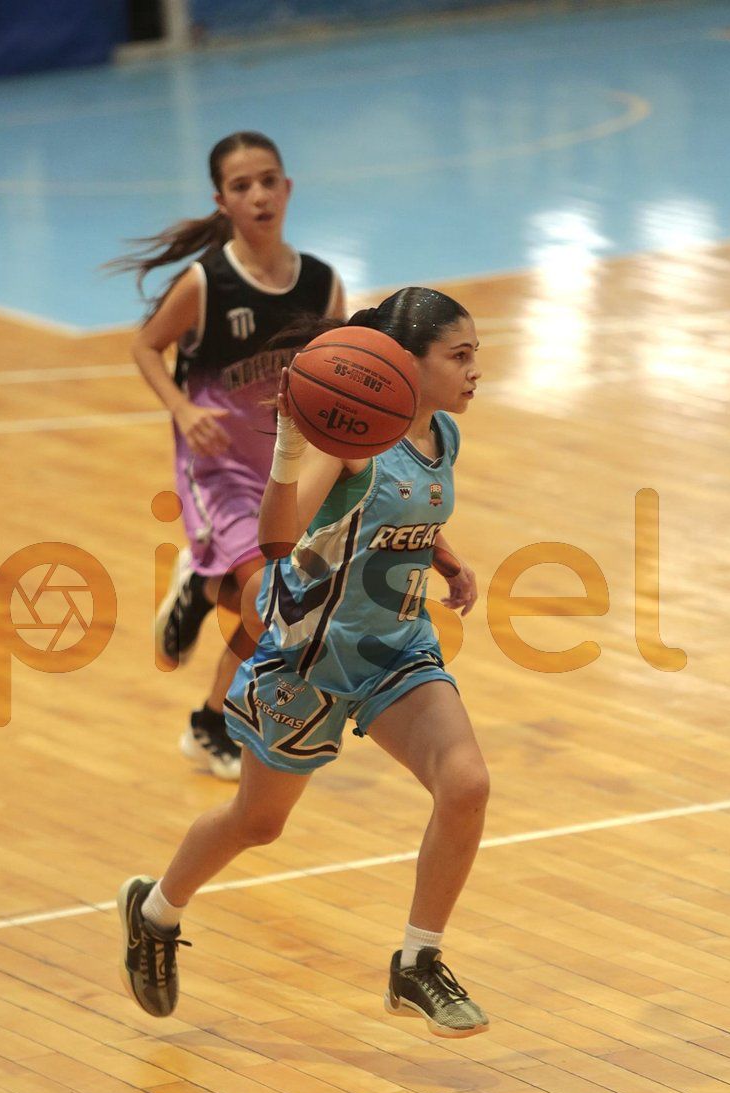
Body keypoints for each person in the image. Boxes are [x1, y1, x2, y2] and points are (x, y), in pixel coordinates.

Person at [118, 288, 491, 1039]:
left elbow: (408, 511)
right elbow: (279, 537)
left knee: (466, 784)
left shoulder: (442, 434)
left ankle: (417, 961)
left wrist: (444, 557)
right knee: (257, 823)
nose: (475, 369)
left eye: (475, 353)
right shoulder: (350, 443)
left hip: (395, 651)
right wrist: (291, 447)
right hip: (306, 660)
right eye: (459, 355)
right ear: (405, 365)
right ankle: (155, 910)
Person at [109, 130, 345, 779]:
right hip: (218, 469)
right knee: (270, 594)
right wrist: (183, 410)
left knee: (275, 599)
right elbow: (144, 346)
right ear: (222, 201)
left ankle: (204, 584)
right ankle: (210, 724)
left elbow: (334, 371)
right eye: (242, 186)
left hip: (284, 467)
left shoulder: (321, 282)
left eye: (268, 181)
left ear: (287, 188)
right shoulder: (206, 282)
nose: (259, 195)